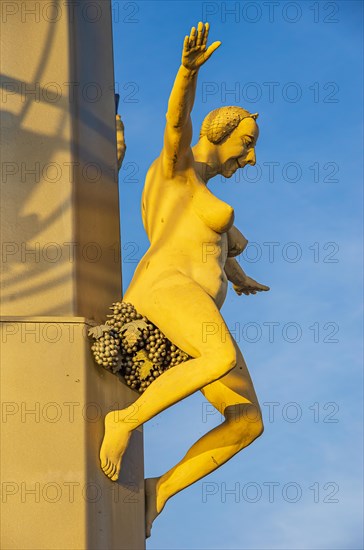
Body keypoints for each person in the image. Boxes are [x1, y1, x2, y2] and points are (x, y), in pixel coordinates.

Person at [101, 22, 269, 537]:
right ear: (220, 133)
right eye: (246, 142)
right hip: (164, 289)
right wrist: (186, 72)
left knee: (248, 422)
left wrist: (237, 276)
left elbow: (210, 245)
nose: (251, 156)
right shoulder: (179, 171)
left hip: (198, 305)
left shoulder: (205, 196)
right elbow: (176, 122)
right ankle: (123, 421)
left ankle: (160, 490)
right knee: (217, 357)